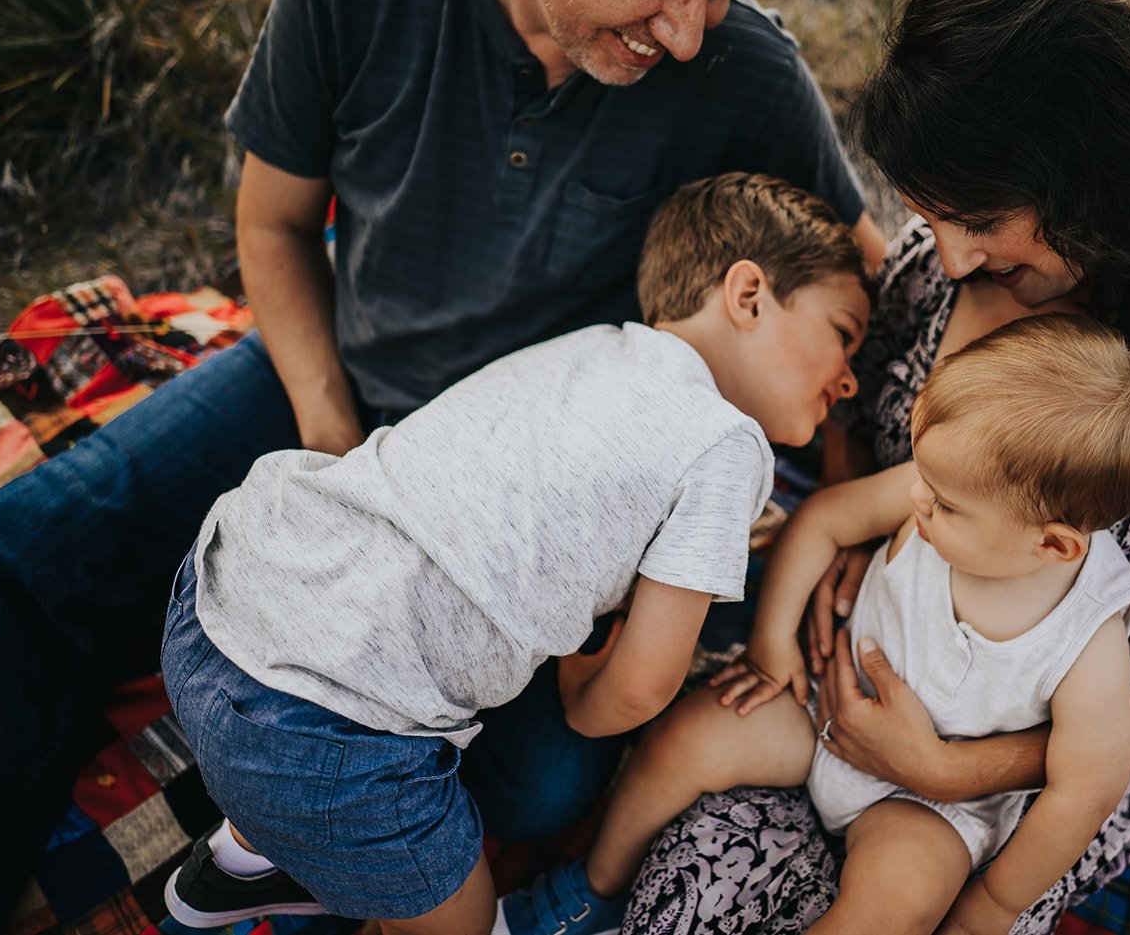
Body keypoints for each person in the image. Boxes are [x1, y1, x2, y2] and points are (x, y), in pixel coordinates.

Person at [0, 0, 883, 926]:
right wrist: (331, 433)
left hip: (531, 473)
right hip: (344, 376)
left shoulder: (747, 70)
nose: (692, 32)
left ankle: (285, 828)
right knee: (24, 554)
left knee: (540, 786)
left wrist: (840, 514)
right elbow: (277, 228)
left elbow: (848, 283)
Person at [624, 0, 1130, 934]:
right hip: (846, 669)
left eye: (980, 223)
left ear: (1086, 179)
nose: (946, 258)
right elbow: (857, 443)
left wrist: (942, 767)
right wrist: (856, 543)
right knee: (686, 885)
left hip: (1009, 789)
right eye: (931, 218)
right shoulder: (951, 252)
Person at [159, 173, 871, 933]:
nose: (852, 378)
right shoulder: (731, 444)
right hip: (329, 722)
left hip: (220, 595)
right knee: (467, 921)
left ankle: (244, 858)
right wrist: (581, 695)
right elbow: (641, 687)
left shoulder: (591, 348)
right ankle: (307, 840)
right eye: (844, 333)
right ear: (750, 293)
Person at [509, 314, 1130, 935]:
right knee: (688, 737)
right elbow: (824, 519)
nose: (917, 498)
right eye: (925, 478)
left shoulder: (1088, 630)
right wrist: (773, 642)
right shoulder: (943, 487)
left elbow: (1087, 786)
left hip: (931, 806)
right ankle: (595, 884)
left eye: (943, 502)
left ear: (1053, 545)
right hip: (822, 704)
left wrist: (993, 904)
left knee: (902, 898)